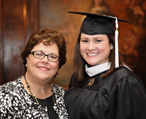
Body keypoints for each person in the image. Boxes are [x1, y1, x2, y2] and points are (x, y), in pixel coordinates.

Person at [64, 11, 146, 119]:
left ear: (112, 44)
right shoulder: (77, 78)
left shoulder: (125, 82)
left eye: (98, 40)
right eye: (85, 41)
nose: (90, 47)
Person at [0, 28, 68, 119]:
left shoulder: (64, 96)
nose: (45, 60)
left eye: (52, 56)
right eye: (39, 54)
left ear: (59, 65)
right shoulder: (4, 97)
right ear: (27, 58)